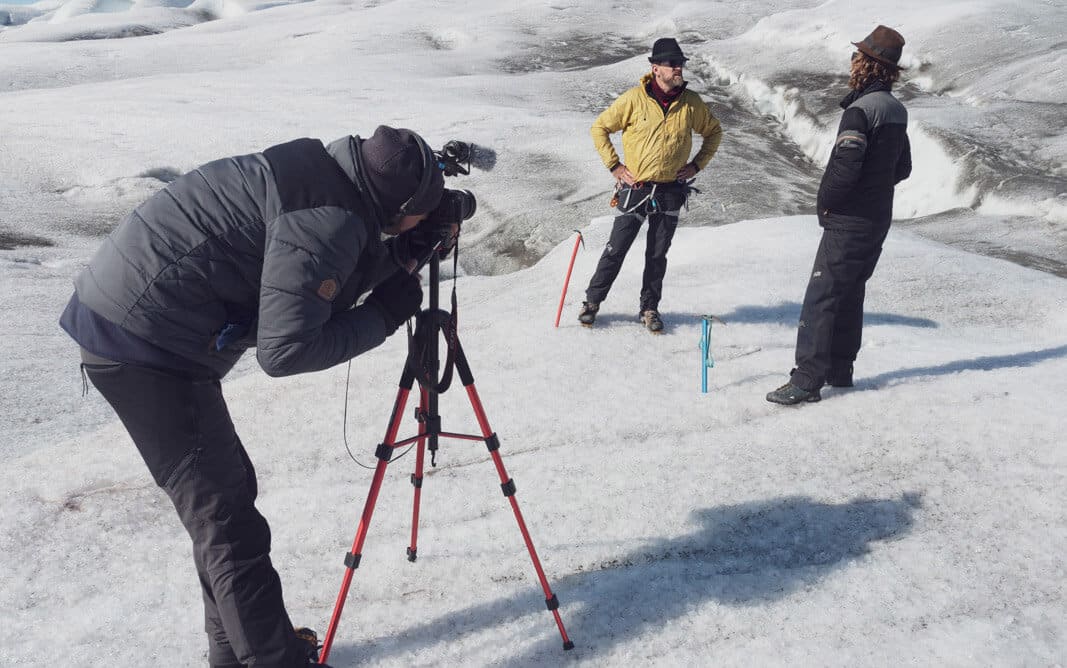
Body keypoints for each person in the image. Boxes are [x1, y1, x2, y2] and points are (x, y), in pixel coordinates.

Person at [59, 125, 453, 667]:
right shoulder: (329, 221)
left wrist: (396, 255)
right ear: (400, 203)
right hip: (143, 344)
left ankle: (233, 652)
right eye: (419, 214)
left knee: (226, 497)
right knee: (226, 519)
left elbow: (313, 278)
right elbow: (286, 348)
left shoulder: (326, 180)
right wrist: (384, 315)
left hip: (142, 324)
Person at [767, 26, 912, 405]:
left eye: (857, 56)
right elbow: (904, 167)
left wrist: (827, 204)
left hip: (849, 219)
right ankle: (839, 369)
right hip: (878, 216)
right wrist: (876, 187)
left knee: (822, 295)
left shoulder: (861, 112)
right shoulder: (896, 110)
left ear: (868, 65)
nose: (852, 62)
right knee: (850, 291)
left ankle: (807, 379)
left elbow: (846, 169)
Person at [578, 37, 722, 333]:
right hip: (637, 189)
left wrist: (696, 165)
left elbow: (714, 132)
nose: (678, 68)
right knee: (615, 249)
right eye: (672, 64)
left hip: (670, 190)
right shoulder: (634, 99)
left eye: (680, 63)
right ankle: (592, 303)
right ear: (656, 68)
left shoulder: (691, 103)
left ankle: (649, 308)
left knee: (657, 255)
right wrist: (615, 166)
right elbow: (599, 128)